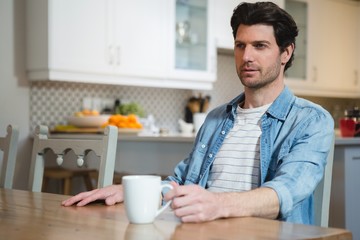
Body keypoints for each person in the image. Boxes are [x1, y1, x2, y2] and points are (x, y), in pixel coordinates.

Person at [62, 2, 334, 225]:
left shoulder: (311, 120)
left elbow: (285, 192)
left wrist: (217, 204)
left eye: (260, 46)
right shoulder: (216, 118)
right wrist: (131, 191)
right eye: (240, 45)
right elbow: (181, 182)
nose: (246, 56)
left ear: (286, 52)